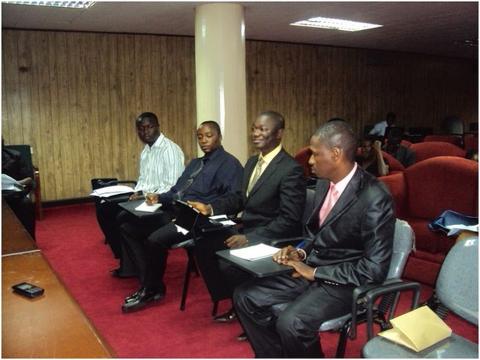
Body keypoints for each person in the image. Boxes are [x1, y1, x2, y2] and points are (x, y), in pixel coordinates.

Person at [233, 120, 395, 357]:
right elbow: (318, 234)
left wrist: (316, 273)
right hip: (314, 268)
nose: (309, 161)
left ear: (337, 154)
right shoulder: (322, 184)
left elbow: (374, 270)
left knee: (291, 322)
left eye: (315, 154)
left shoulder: (374, 197)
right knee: (245, 296)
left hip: (345, 282)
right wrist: (301, 252)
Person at [189, 111, 306, 330]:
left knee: (228, 263)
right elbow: (239, 199)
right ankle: (237, 302)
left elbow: (290, 220)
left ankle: (252, 311)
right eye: (254, 128)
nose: (255, 134)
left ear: (279, 133)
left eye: (263, 129)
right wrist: (210, 207)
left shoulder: (290, 169)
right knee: (204, 241)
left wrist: (249, 238)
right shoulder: (253, 162)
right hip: (247, 230)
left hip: (273, 238)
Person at [120, 121, 244, 312]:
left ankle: (152, 289)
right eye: (200, 137)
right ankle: (147, 281)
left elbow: (235, 199)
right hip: (175, 210)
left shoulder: (230, 164)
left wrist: (209, 207)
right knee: (129, 228)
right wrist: (158, 197)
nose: (204, 140)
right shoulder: (196, 163)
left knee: (154, 240)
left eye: (209, 135)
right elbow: (177, 190)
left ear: (219, 136)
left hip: (197, 218)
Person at [94, 112, 184, 275]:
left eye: (149, 127)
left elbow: (172, 187)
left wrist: (145, 195)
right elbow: (143, 179)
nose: (145, 132)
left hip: (164, 204)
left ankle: (131, 264)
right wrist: (138, 192)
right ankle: (126, 259)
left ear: (157, 126)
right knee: (104, 209)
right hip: (145, 197)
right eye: (141, 129)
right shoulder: (146, 151)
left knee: (122, 217)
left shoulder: (169, 150)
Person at [2, 141, 36, 238]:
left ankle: (29, 241)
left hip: (13, 193)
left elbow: (29, 178)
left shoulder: (15, 156)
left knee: (26, 204)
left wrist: (16, 183)